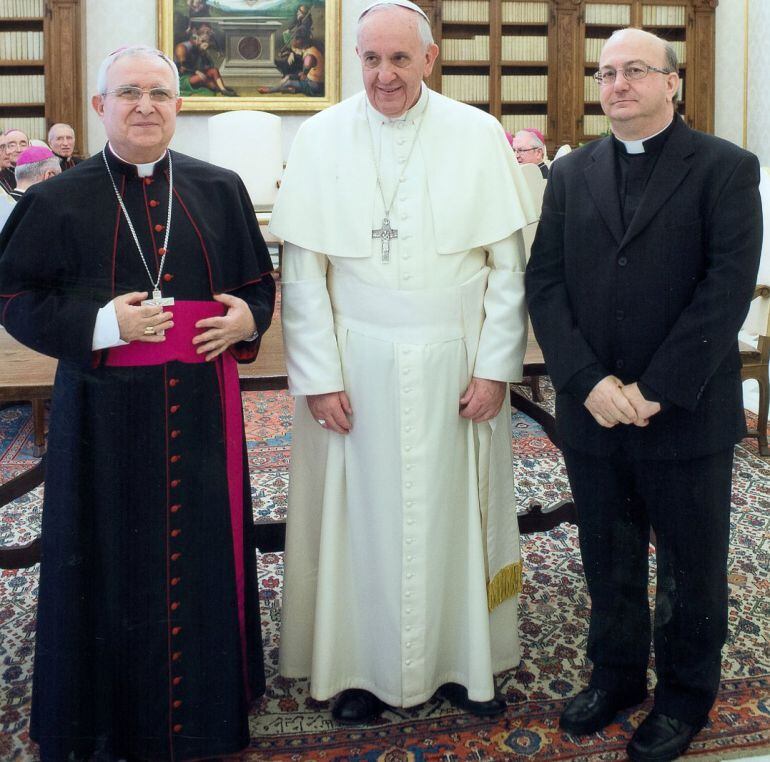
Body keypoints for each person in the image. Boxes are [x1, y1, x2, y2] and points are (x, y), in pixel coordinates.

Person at [0, 44, 275, 761]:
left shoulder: (221, 188)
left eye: (160, 93)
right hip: (102, 414)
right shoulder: (55, 197)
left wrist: (248, 320)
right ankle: (105, 716)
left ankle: (211, 711)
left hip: (202, 408)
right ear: (100, 107)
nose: (145, 106)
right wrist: (101, 325)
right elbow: (14, 296)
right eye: (129, 94)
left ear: (180, 104)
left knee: (204, 553)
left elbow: (257, 284)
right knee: (105, 560)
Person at [270, 0, 534, 725]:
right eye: (370, 59)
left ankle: (461, 665)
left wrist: (493, 367)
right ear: (356, 59)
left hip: (457, 364)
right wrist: (319, 376)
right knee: (358, 519)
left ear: (429, 56)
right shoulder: (323, 136)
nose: (384, 74)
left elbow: (507, 268)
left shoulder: (476, 135)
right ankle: (356, 669)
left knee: (459, 511)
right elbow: (304, 273)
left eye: (399, 57)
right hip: (356, 366)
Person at [525, 28, 762, 762]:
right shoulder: (569, 174)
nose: (617, 83)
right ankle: (618, 676)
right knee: (609, 553)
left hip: (683, 409)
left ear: (672, 83)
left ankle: (686, 695)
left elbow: (725, 291)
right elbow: (546, 282)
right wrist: (588, 381)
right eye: (607, 73)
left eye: (635, 71)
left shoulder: (725, 167)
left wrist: (654, 389)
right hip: (594, 411)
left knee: (691, 565)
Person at [258, 31, 324, 96]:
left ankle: (269, 90)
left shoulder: (309, 56)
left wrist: (302, 75)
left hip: (314, 85)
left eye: (295, 39)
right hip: (311, 80)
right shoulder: (310, 49)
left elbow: (303, 76)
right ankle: (280, 88)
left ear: (301, 41)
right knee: (288, 77)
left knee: (289, 83)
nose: (293, 41)